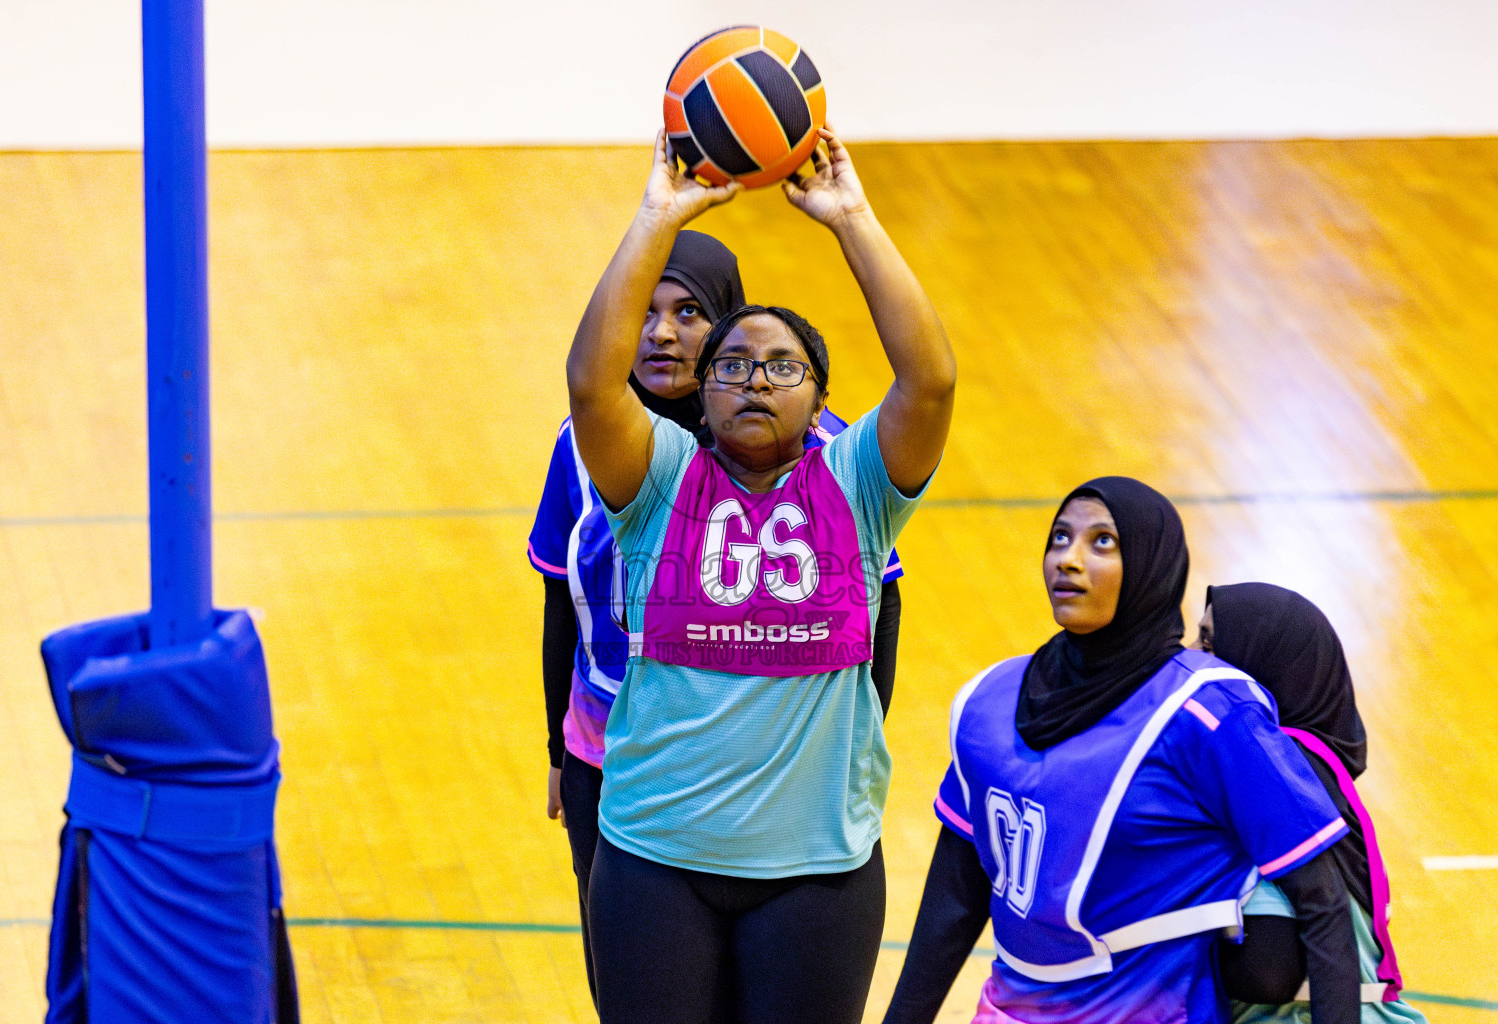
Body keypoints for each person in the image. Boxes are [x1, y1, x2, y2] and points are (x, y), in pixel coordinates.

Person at [565, 127, 955, 1023]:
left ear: (819, 399)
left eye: (783, 367)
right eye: (731, 365)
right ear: (700, 396)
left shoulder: (858, 487)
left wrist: (850, 217)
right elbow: (593, 384)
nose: (753, 382)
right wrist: (658, 215)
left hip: (815, 875)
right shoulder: (661, 480)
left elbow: (929, 383)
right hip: (655, 862)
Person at [527, 230, 904, 1004]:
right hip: (617, 767)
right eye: (645, 311)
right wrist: (558, 750)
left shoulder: (829, 459)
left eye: (691, 313)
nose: (661, 333)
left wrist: (841, 751)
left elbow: (882, 616)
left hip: (789, 811)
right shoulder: (597, 446)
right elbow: (559, 595)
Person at [884, 477, 1360, 1024]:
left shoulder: (1208, 712)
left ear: (1151, 567)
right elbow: (954, 899)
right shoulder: (987, 701)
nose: (1069, 560)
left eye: (1102, 542)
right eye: (1059, 538)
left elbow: (1323, 903)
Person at [1200, 583, 1427, 1023]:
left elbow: (1267, 971)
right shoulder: (1316, 767)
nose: (1191, 658)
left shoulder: (1271, 764)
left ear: (1261, 662)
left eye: (1210, 644)